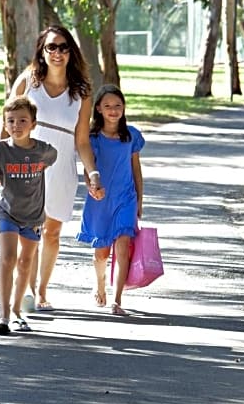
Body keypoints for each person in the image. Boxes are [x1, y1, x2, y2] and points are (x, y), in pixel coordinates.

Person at [8, 25, 104, 311]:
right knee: (29, 228)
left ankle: (42, 291)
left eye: (63, 47)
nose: (58, 53)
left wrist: (93, 173)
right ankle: (26, 287)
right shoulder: (28, 82)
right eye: (52, 47)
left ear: (71, 52)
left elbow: (82, 140)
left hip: (62, 165)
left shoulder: (81, 92)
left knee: (51, 231)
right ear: (42, 50)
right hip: (27, 163)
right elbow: (8, 122)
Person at [0, 96, 57, 334]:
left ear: (33, 124)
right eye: (11, 121)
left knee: (25, 262)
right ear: (5, 125)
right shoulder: (0, 150)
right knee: (8, 259)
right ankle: (3, 314)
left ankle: (17, 312)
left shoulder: (43, 151)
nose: (17, 125)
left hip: (34, 215)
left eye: (23, 120)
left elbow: (52, 158)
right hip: (7, 213)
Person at [76, 84, 144, 315]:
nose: (113, 110)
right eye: (108, 106)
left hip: (126, 199)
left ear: (124, 107)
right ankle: (100, 285)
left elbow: (136, 170)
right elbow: (88, 166)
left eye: (117, 105)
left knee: (123, 246)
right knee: (102, 251)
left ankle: (117, 300)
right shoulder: (93, 137)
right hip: (101, 199)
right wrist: (91, 186)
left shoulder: (131, 135)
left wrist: (139, 202)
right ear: (98, 109)